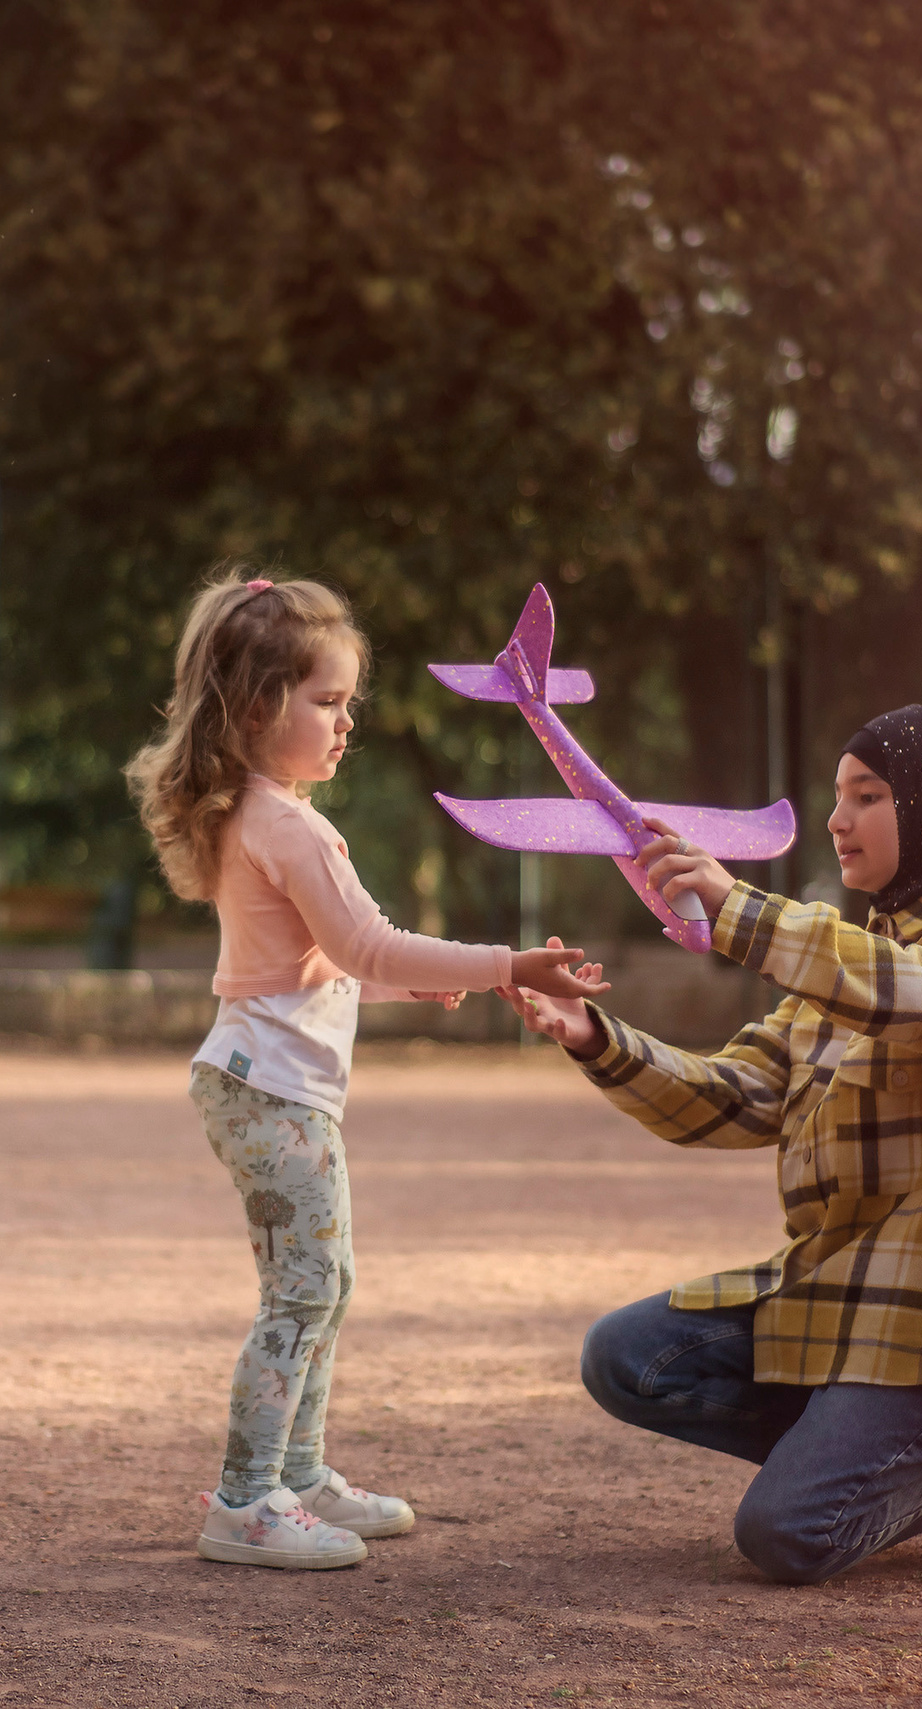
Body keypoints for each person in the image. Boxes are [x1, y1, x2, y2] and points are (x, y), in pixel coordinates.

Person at [504, 707, 922, 1586]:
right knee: (623, 1356)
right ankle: (872, 1452)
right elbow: (732, 1096)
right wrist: (594, 1036)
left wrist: (735, 907)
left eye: (869, 796)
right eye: (838, 795)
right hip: (839, 1296)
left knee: (787, 1533)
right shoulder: (852, 959)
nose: (837, 818)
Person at [126, 568, 607, 1571]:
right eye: (328, 700)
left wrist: (431, 983)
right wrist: (506, 964)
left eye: (349, 701)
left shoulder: (255, 814)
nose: (347, 721)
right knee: (303, 1291)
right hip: (272, 1094)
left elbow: (315, 967)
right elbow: (368, 944)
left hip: (261, 1083)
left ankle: (297, 1473)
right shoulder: (287, 824)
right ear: (257, 706)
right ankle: (246, 1499)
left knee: (323, 1283)